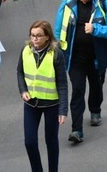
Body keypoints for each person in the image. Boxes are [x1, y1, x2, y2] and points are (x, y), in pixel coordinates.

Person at [54, 0, 107, 143]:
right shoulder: (67, 4)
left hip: (97, 58)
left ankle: (95, 109)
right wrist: (57, 52)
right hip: (74, 59)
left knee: (96, 87)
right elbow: (57, 30)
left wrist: (96, 29)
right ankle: (77, 130)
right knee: (77, 91)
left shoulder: (104, 4)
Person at [17, 20, 68, 172]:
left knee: (51, 141)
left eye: (39, 36)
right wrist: (23, 90)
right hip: (31, 103)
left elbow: (62, 84)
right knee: (29, 142)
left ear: (47, 37)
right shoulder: (25, 50)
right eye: (32, 36)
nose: (35, 39)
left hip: (51, 104)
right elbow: (20, 71)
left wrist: (63, 110)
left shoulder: (56, 54)